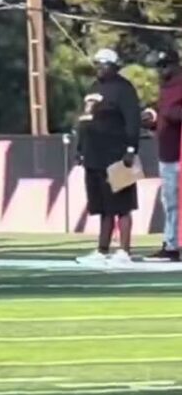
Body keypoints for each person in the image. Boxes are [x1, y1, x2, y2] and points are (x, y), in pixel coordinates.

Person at [76, 48, 141, 264]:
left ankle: (124, 251)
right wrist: (80, 149)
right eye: (96, 63)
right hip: (94, 154)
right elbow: (85, 120)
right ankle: (102, 250)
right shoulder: (94, 87)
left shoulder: (124, 88)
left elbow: (133, 120)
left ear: (114, 65)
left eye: (103, 63)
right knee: (103, 206)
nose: (99, 68)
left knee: (122, 205)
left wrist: (131, 149)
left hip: (117, 154)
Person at [143, 48, 182, 262]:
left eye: (165, 65)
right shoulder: (165, 88)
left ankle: (173, 244)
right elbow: (165, 121)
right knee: (170, 202)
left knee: (176, 202)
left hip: (179, 153)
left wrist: (171, 114)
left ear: (176, 64)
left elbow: (175, 115)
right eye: (159, 66)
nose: (162, 70)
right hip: (167, 153)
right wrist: (154, 122)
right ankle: (171, 244)